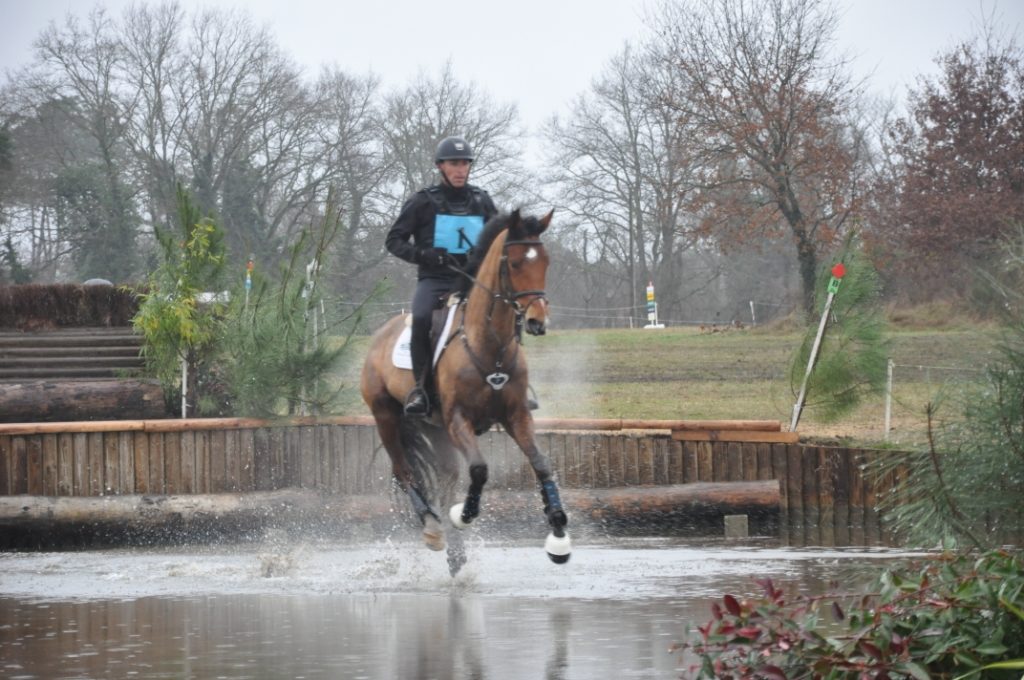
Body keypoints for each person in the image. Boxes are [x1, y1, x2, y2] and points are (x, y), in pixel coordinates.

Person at [385, 135, 498, 417]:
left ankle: (512, 387)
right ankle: (420, 391)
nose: (460, 170)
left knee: (505, 314)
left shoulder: (482, 200)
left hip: (473, 282)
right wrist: (423, 254)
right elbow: (394, 240)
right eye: (454, 164)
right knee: (422, 318)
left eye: (465, 164)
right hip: (435, 281)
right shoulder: (422, 202)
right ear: (440, 167)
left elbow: (499, 239)